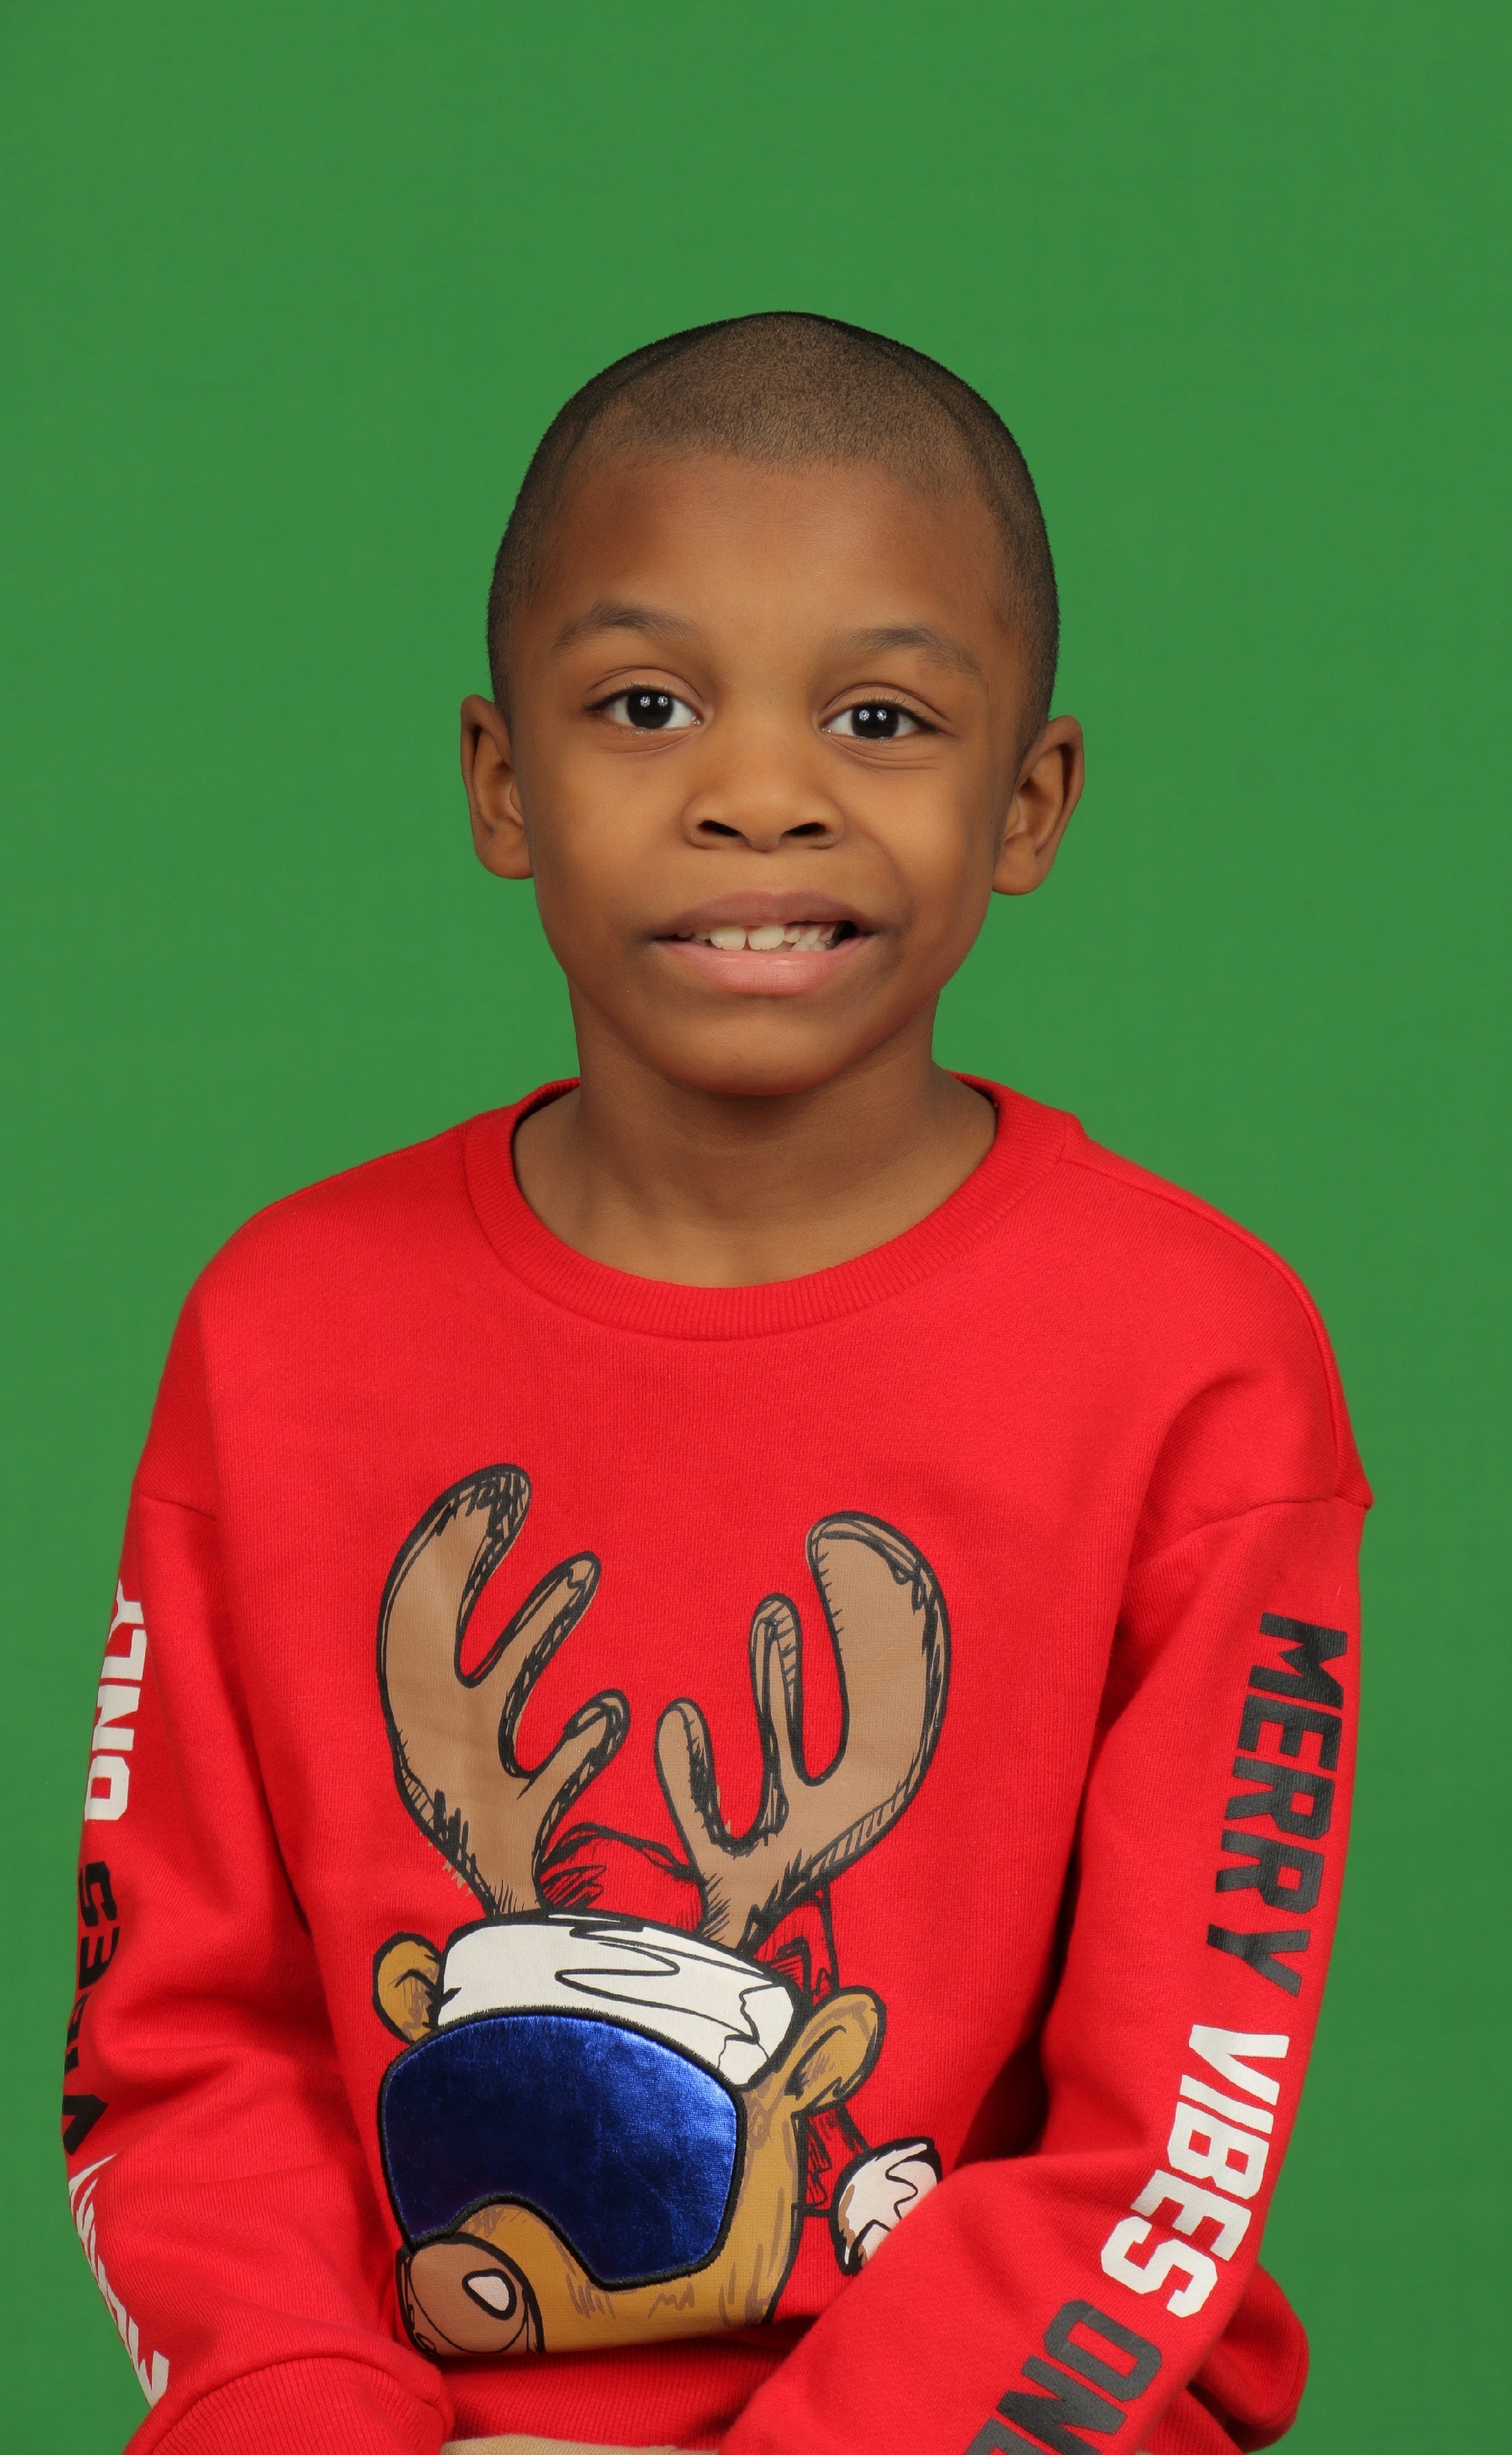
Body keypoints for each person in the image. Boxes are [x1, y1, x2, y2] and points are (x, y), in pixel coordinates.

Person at [64, 313, 1368, 2455]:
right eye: (647, 705)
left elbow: (1172, 2134)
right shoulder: (279, 1332)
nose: (761, 794)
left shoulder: (1196, 1361)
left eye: (880, 717)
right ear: (503, 782)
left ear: (1029, 802)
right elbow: (179, 2040)